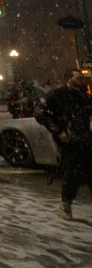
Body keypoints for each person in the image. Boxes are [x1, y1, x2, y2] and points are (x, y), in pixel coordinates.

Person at [35, 68, 92, 221]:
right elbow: (40, 113)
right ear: (68, 79)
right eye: (77, 78)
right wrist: (59, 131)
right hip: (68, 141)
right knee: (73, 173)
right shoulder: (56, 95)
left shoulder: (83, 96)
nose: (81, 80)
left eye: (81, 78)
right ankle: (65, 203)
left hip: (86, 139)